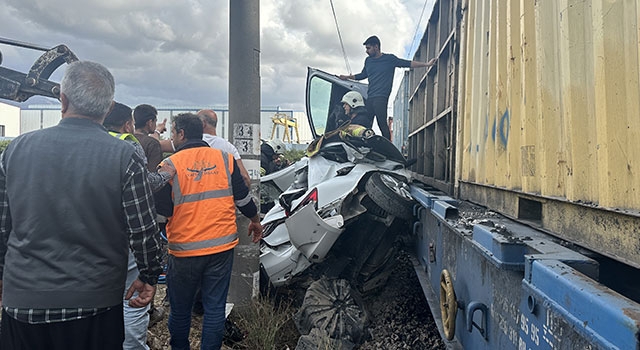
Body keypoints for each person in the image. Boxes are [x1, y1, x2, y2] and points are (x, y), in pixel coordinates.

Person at [0, 61, 162, 349]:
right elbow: (143, 229)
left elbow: (3, 225)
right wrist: (149, 276)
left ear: (62, 100)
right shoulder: (124, 155)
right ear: (109, 108)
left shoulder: (16, 150)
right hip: (95, 303)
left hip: (24, 300)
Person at [155, 113, 262, 350]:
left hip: (184, 251)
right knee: (215, 309)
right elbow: (243, 199)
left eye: (173, 133)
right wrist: (255, 219)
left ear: (182, 134)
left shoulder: (170, 165)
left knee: (181, 310)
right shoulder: (225, 159)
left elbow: (161, 212)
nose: (172, 137)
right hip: (220, 248)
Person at [103, 102, 173, 350]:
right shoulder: (128, 143)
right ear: (127, 123)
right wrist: (168, 173)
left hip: (92, 232)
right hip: (125, 230)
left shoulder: (90, 142)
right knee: (132, 298)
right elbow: (147, 183)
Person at [339, 35, 436, 140]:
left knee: (382, 123)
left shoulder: (389, 59)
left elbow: (408, 63)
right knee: (364, 122)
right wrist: (347, 77)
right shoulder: (368, 61)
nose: (366, 51)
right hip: (370, 97)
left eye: (368, 48)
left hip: (381, 97)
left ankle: (388, 148)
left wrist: (426, 64)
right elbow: (362, 75)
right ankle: (364, 145)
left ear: (376, 47)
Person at [197, 109, 251, 188]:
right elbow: (244, 177)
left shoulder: (189, 144)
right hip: (223, 198)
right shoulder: (229, 147)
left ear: (203, 123)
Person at [134, 104, 164, 172]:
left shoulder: (126, 139)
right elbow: (155, 173)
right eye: (155, 121)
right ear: (150, 122)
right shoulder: (152, 144)